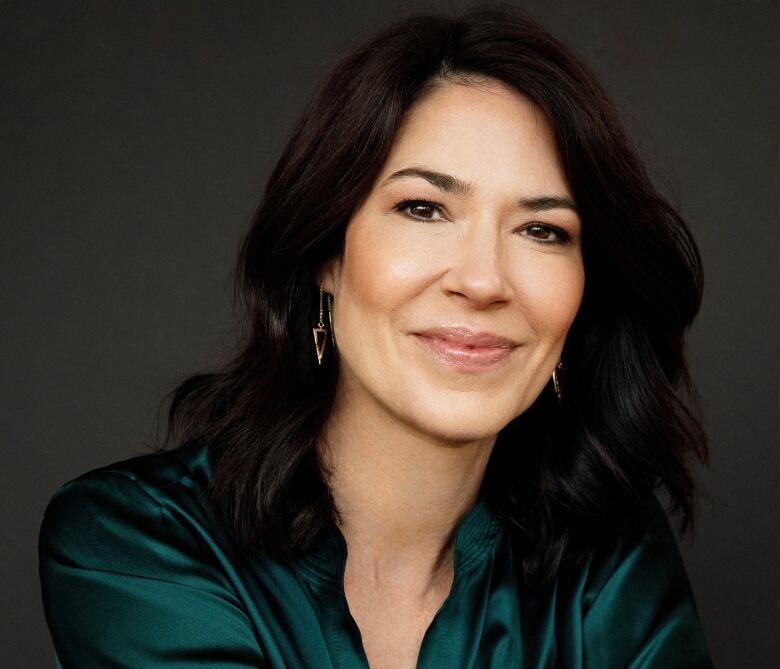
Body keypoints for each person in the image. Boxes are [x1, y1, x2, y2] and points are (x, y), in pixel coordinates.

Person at [38, 6, 714, 668]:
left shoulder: (608, 558)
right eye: (424, 208)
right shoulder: (136, 541)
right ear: (326, 255)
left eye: (543, 230)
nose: (483, 280)